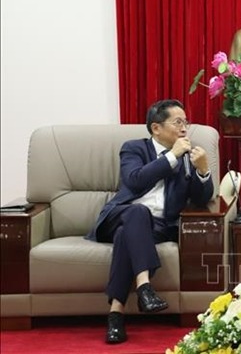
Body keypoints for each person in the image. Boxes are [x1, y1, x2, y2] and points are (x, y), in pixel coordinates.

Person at [86, 99, 213, 344]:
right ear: (156, 128)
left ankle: (115, 316)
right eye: (178, 122)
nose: (185, 128)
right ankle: (144, 287)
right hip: (120, 215)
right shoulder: (133, 148)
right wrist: (171, 157)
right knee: (137, 212)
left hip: (158, 227)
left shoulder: (188, 156)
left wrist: (203, 171)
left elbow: (200, 199)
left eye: (186, 122)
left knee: (127, 236)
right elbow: (134, 181)